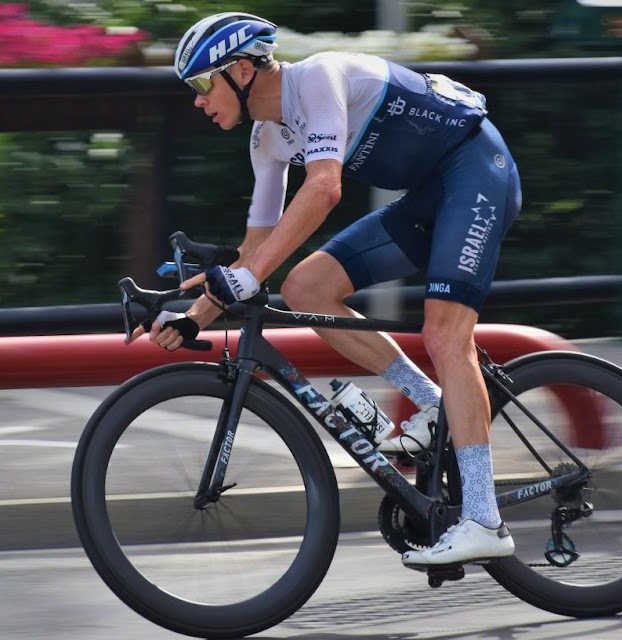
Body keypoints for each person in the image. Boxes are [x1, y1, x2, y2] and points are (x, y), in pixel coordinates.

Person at [129, 12, 521, 566]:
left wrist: (244, 277)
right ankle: (434, 405)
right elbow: (255, 252)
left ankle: (485, 520)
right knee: (306, 287)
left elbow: (324, 187)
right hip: (429, 197)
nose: (197, 100)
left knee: (445, 337)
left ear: (241, 71)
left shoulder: (318, 78)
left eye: (201, 82)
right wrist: (192, 315)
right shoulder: (267, 139)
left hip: (477, 171)